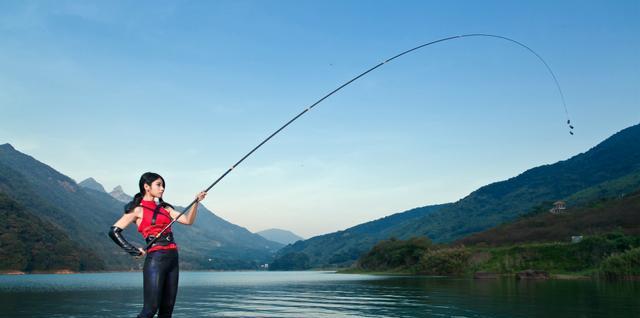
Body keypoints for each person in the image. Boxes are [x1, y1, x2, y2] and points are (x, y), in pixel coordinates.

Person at [109, 172, 206, 318]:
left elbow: (187, 220)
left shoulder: (165, 208)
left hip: (173, 258)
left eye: (163, 186)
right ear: (147, 187)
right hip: (156, 259)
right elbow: (114, 231)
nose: (162, 189)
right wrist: (133, 251)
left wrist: (196, 202)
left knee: (167, 311)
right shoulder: (137, 209)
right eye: (158, 185)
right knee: (150, 309)